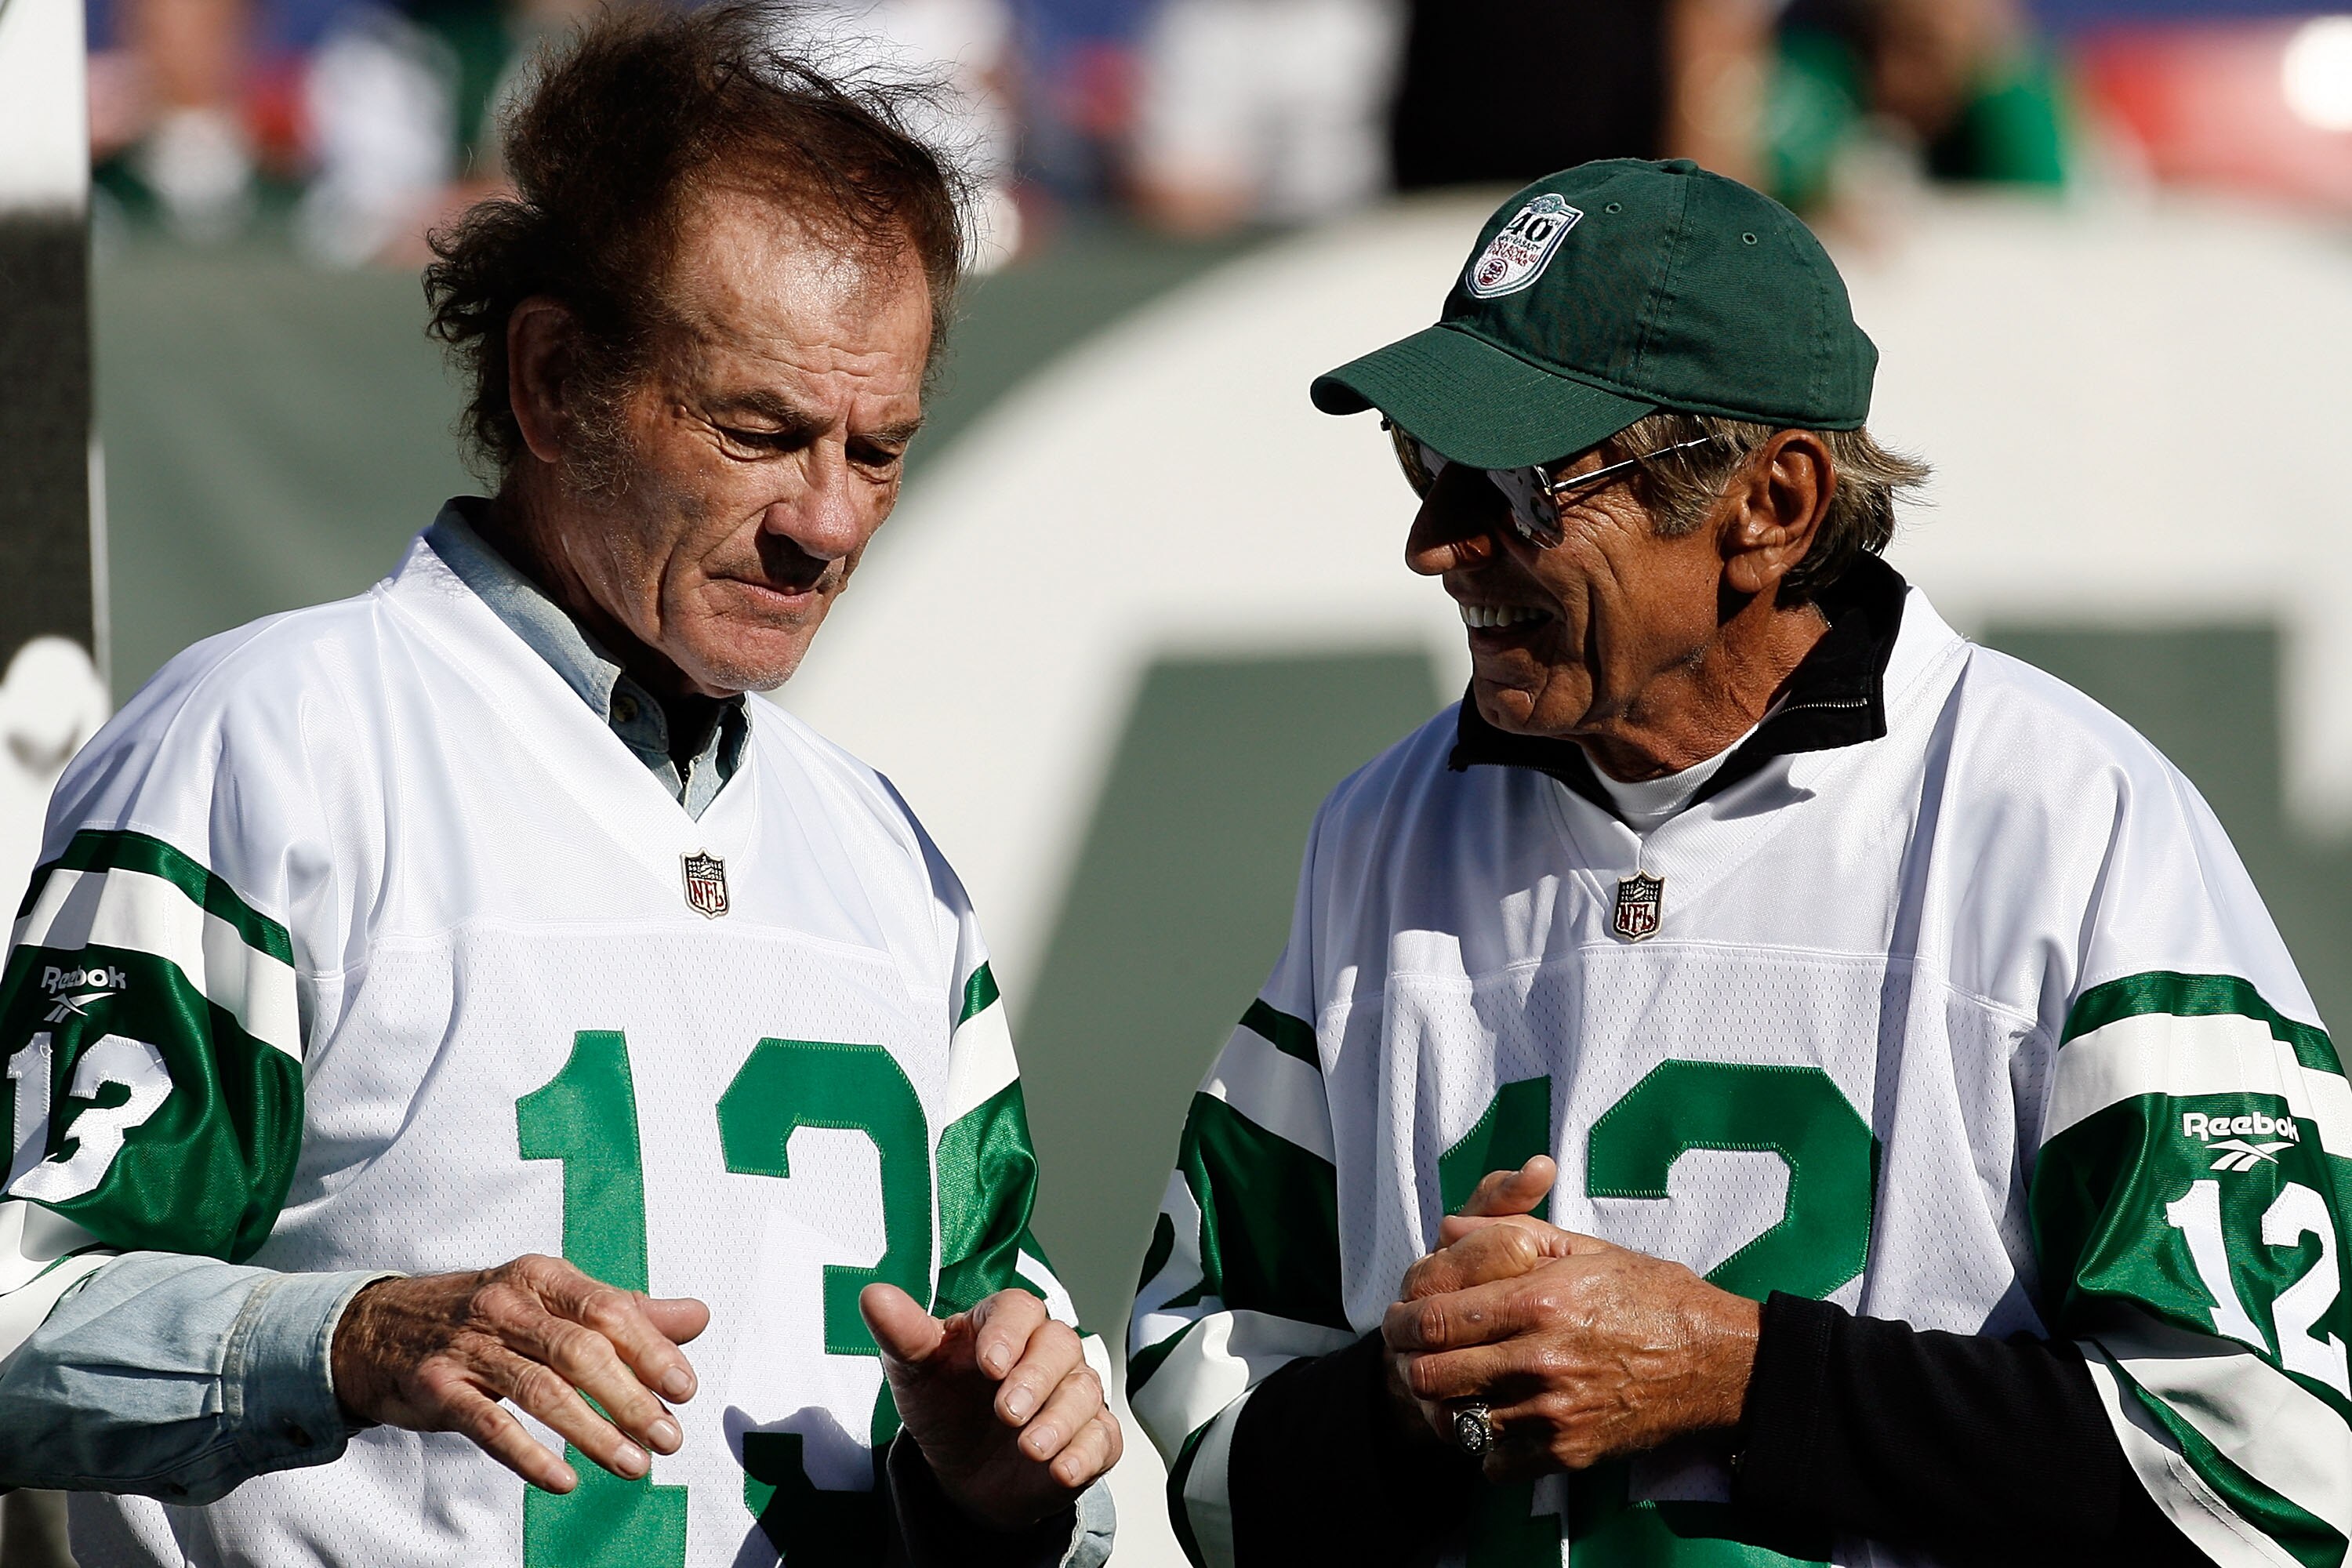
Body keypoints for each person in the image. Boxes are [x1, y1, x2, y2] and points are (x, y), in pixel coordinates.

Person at [0, 7, 1120, 1565]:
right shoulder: (278, 745)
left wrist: (1022, 1475)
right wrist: (350, 1338)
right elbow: (16, 1305)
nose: (830, 520)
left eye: (882, 447)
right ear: (550, 379)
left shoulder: (884, 855)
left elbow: (1008, 1421)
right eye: (762, 429)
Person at [1130, 156, 2339, 1566]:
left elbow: (2275, 1478)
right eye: (1422, 461)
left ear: (1772, 504)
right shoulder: (1381, 831)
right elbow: (1216, 1448)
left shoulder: (2069, 823)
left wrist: (1740, 1379)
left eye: (1516, 484)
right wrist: (1413, 1404)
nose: (1436, 541)